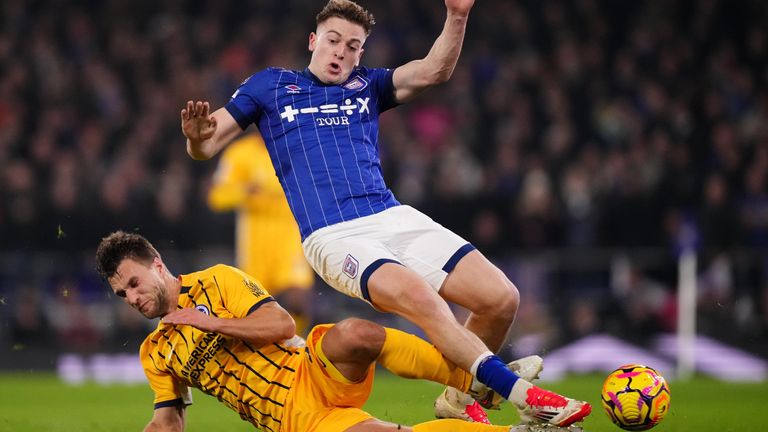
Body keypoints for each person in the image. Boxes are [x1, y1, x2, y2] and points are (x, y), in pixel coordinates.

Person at [180, 0, 590, 426]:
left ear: (361, 53)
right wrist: (195, 138)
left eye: (353, 46)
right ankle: (525, 395)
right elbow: (208, 144)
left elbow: (434, 70)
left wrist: (457, 15)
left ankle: (455, 399)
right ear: (313, 41)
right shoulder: (270, 86)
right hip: (332, 234)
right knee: (425, 303)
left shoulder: (367, 85)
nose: (341, 52)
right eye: (334, 41)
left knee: (501, 298)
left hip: (391, 216)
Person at [95, 230, 549, 432]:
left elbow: (280, 324)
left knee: (356, 333)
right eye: (122, 295)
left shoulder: (218, 280)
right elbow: (169, 420)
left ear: (157, 265)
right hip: (293, 419)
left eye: (133, 283)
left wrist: (208, 320)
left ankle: (476, 385)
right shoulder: (155, 352)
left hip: (310, 367)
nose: (132, 298)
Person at [208, 132, 315, 336]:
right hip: (254, 246)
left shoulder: (296, 148)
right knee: (254, 307)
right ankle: (262, 355)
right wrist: (245, 190)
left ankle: (298, 348)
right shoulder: (239, 153)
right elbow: (216, 197)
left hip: (290, 240)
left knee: (298, 298)